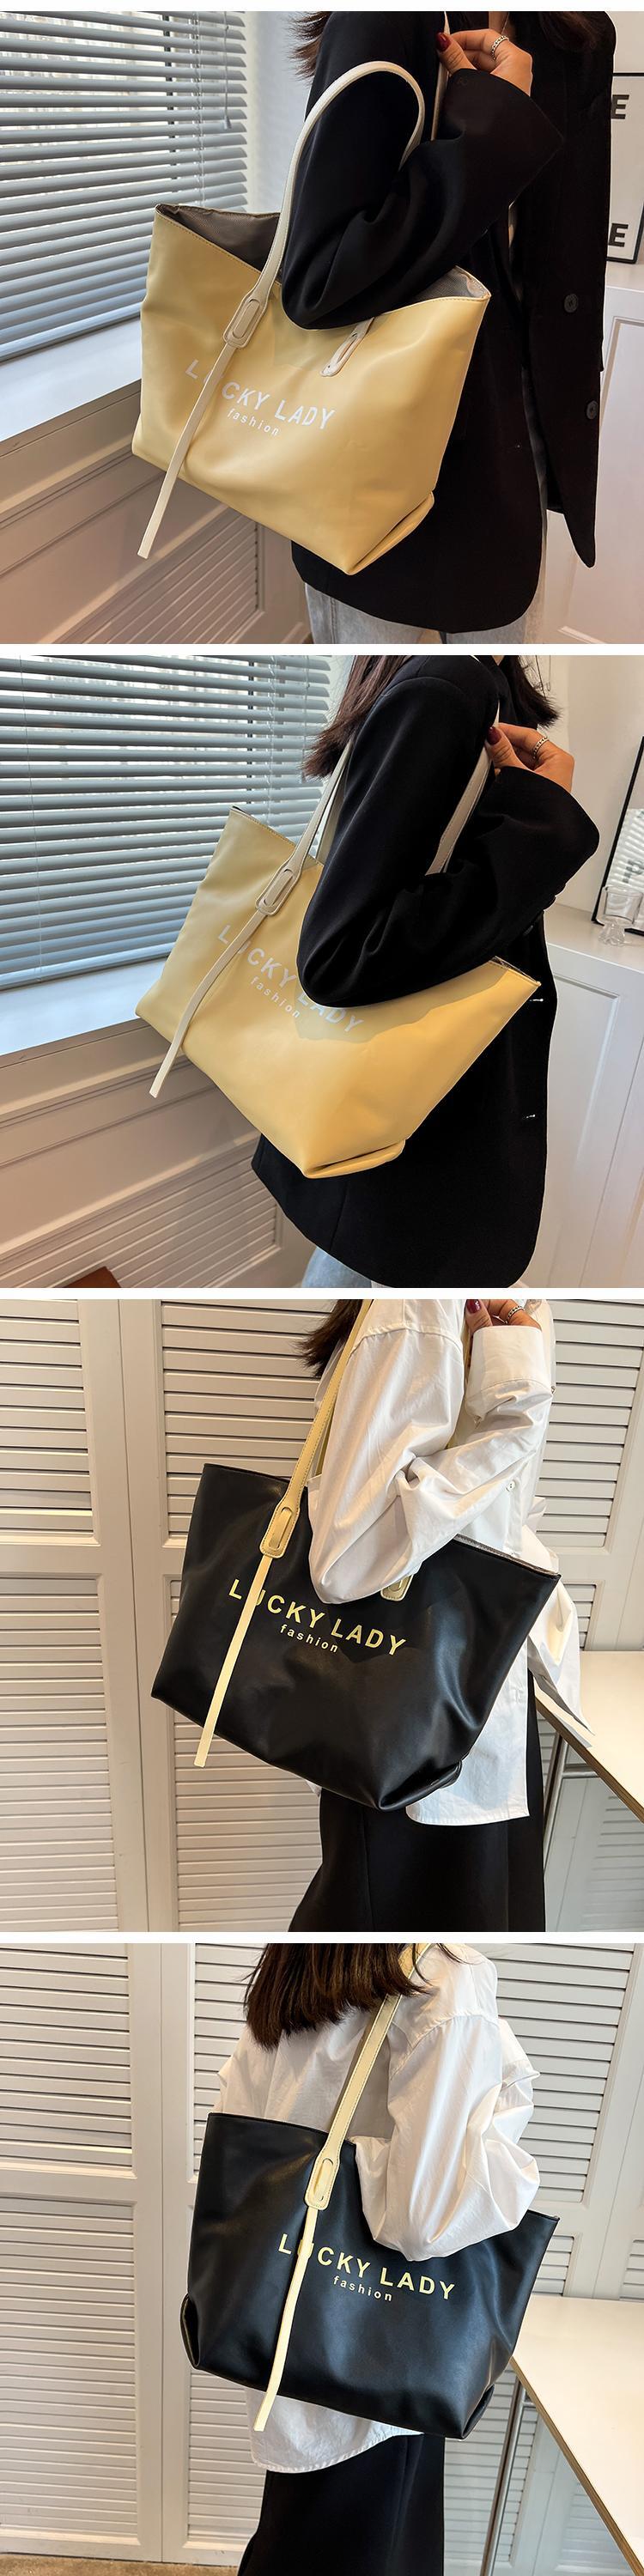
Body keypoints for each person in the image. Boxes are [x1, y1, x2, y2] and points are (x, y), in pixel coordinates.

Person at [252, 653, 599, 1286]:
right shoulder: (449, 687)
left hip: (413, 1114)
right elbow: (341, 957)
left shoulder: (483, 682)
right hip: (415, 1132)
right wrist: (540, 824)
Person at [284, 11, 615, 644]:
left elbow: (563, 260)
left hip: (518, 441)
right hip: (379, 453)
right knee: (390, 675)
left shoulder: (576, 33)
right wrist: (492, 129)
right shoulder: (387, 20)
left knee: (496, 663)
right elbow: (319, 281)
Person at [222, 1940, 540, 2576]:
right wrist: (507, 2102)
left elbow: (242, 2132)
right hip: (383, 2365)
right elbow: (424, 2220)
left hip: (288, 2335)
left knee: (295, 2540)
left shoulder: (297, 1963)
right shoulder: (443, 1974)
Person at [289, 1294, 581, 1932]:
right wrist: (511, 1425)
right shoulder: (422, 1313)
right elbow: (345, 1560)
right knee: (404, 1936)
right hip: (411, 1713)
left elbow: (503, 1513)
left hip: (475, 1687)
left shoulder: (517, 1305)